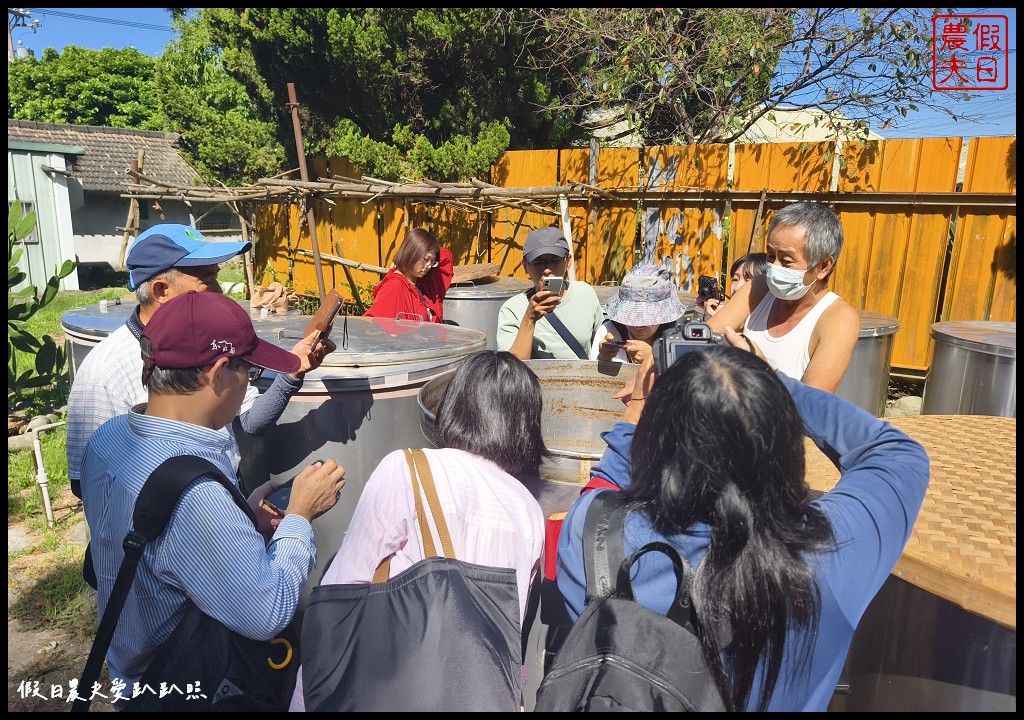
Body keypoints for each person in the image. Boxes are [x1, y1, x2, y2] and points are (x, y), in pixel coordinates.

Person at [555, 346, 929, 712]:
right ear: (784, 447)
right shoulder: (835, 551)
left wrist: (639, 407)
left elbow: (607, 486)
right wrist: (764, 383)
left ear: (655, 444)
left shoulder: (592, 534)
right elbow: (896, 453)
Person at [80, 290, 347, 694]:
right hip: (188, 687)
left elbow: (157, 547)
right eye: (250, 373)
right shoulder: (197, 498)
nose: (248, 385)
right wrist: (299, 517)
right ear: (218, 372)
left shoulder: (107, 440)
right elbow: (266, 612)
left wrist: (238, 518)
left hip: (131, 671)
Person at [288, 349, 548, 710]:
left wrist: (304, 699)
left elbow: (343, 592)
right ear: (524, 425)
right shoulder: (530, 512)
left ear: (455, 406)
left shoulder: (409, 468)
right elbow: (511, 628)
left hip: (391, 685)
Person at [66, 223, 333, 499]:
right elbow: (85, 482)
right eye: (207, 280)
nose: (219, 291)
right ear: (161, 291)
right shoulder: (105, 371)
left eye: (217, 277)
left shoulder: (207, 341)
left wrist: (292, 374)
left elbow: (249, 423)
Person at [708, 202, 860, 392]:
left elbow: (813, 404)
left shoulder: (838, 319)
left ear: (823, 267)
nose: (774, 268)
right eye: (771, 256)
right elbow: (702, 342)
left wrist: (762, 367)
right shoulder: (759, 287)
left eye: (787, 261)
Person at [496, 227, 604, 360]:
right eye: (538, 262)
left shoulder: (585, 293)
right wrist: (529, 319)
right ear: (525, 266)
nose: (547, 270)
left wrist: (607, 347)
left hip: (583, 379)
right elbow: (512, 370)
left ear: (568, 261)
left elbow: (601, 342)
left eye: (555, 260)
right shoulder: (512, 310)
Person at [589, 264, 685, 364]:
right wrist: (603, 359)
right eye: (631, 317)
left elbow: (686, 377)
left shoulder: (676, 337)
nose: (639, 325)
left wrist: (654, 360)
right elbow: (590, 377)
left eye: (648, 318)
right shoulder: (607, 332)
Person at [363, 227, 454, 323]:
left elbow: (446, 257)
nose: (428, 266)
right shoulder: (395, 285)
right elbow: (375, 324)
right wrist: (404, 256)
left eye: (432, 261)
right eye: (425, 259)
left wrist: (429, 244)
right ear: (412, 253)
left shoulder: (422, 284)